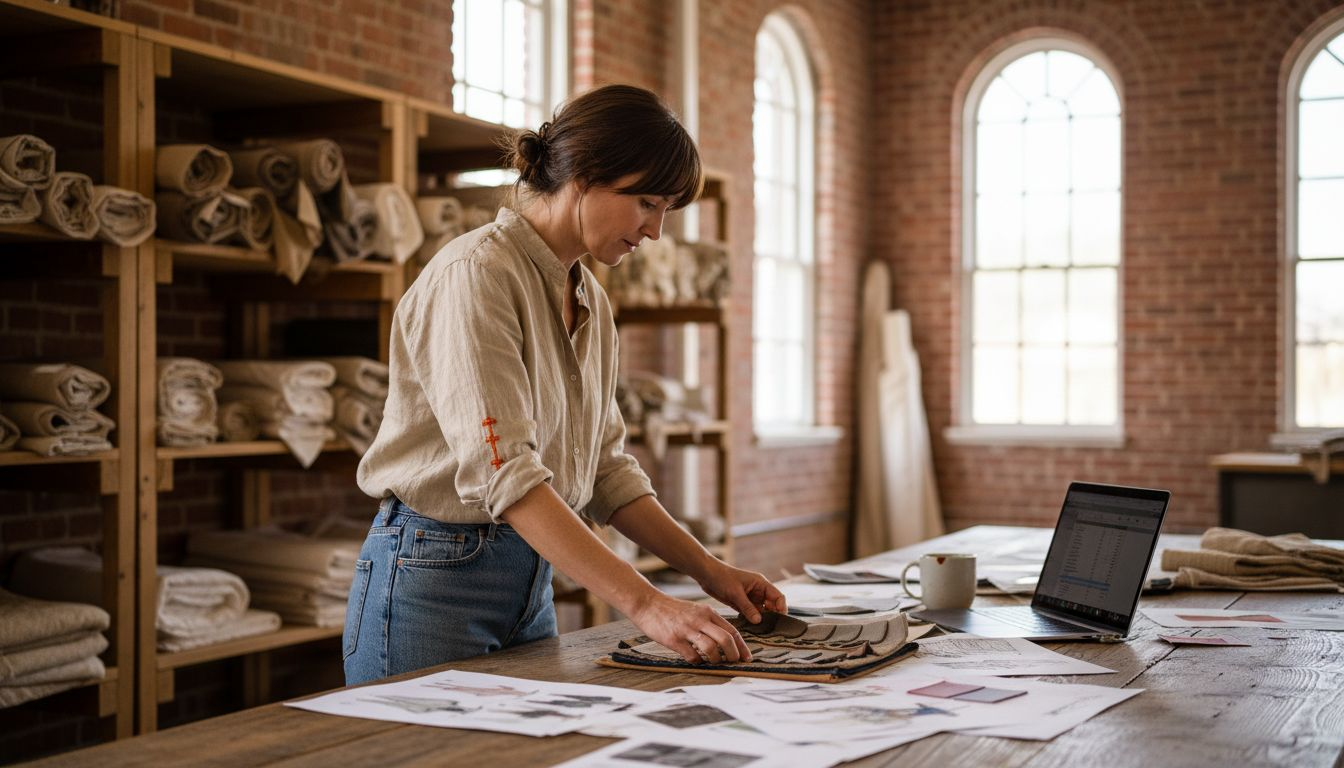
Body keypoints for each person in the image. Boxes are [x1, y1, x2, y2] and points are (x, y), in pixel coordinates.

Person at [344, 84, 787, 685]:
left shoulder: (591, 300)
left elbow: (605, 470)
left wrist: (710, 571)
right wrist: (647, 603)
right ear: (585, 176)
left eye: (665, 211)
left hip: (532, 576)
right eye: (647, 203)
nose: (655, 231)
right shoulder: (477, 275)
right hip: (434, 577)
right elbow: (508, 475)